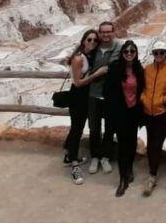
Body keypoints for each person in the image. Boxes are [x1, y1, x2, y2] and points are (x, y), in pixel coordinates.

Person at [62, 29, 108, 185]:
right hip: (78, 97)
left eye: (95, 40)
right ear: (83, 41)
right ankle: (74, 166)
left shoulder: (89, 55)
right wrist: (97, 74)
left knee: (77, 127)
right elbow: (78, 82)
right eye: (89, 40)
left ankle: (69, 155)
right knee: (77, 129)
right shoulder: (78, 58)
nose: (92, 43)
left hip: (87, 97)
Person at [104, 40, 145, 197]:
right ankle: (123, 180)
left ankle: (129, 169)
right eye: (126, 51)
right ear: (122, 53)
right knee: (122, 144)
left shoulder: (139, 70)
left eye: (132, 51)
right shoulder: (115, 69)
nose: (129, 54)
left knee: (132, 142)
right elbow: (108, 91)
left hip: (134, 112)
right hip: (120, 112)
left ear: (136, 54)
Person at [140, 40, 166, 196]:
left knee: (157, 143)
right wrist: (143, 99)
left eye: (161, 52)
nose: (159, 55)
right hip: (148, 112)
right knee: (150, 141)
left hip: (161, 112)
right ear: (153, 54)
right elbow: (142, 87)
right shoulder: (147, 69)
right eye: (156, 52)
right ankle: (153, 171)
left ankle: (152, 175)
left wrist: (163, 100)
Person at [87, 21, 121, 174]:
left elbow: (112, 66)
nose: (106, 35)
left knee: (109, 128)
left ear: (114, 32)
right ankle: (95, 156)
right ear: (99, 33)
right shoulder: (93, 46)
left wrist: (99, 71)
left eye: (109, 32)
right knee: (94, 128)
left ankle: (105, 157)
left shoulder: (118, 47)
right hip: (93, 94)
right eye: (103, 32)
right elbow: (82, 59)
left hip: (109, 95)